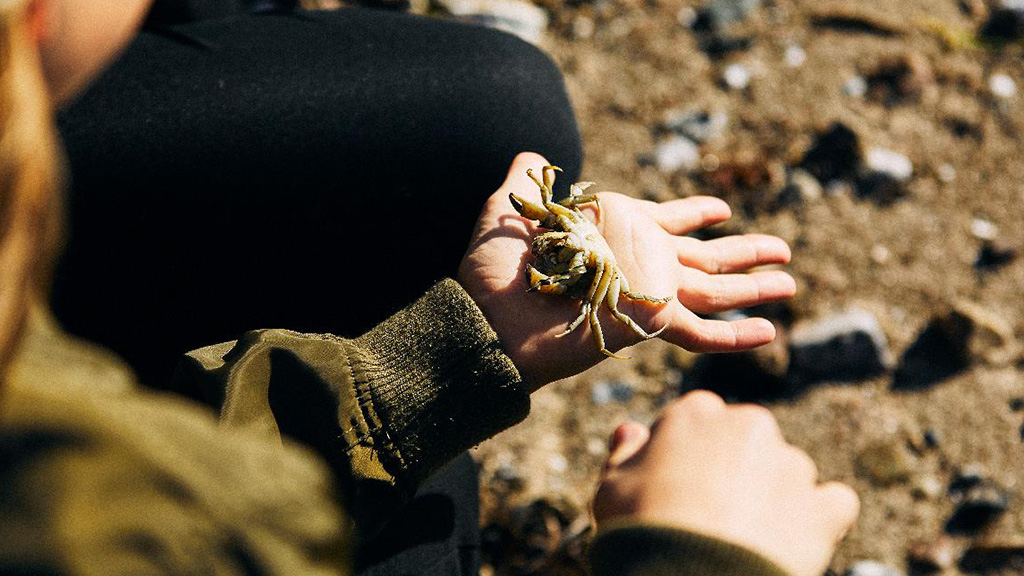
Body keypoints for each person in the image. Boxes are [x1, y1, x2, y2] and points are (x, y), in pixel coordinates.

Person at [0, 1, 860, 575]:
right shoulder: (116, 519)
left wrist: (464, 339)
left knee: (496, 107)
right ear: (35, 24)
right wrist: (697, 558)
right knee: (431, 513)